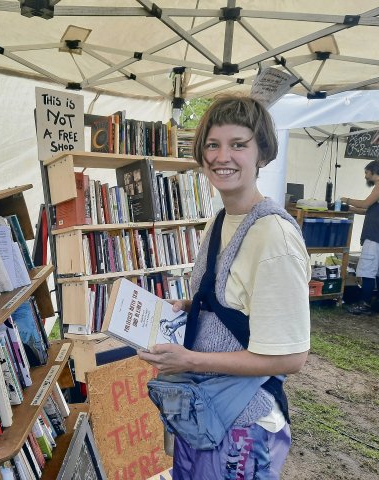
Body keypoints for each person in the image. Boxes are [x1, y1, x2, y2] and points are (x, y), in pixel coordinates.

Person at [138, 95, 311, 479]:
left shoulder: (273, 237)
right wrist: (194, 305)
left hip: (242, 423)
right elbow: (236, 301)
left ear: (262, 154)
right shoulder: (220, 219)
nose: (222, 156)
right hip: (204, 412)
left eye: (238, 145)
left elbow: (291, 358)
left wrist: (189, 360)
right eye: (213, 145)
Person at [340, 160, 379, 315]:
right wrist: (349, 209)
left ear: (373, 171)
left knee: (367, 271)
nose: (365, 176)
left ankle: (364, 304)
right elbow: (368, 210)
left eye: (366, 173)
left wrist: (347, 200)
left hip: (376, 236)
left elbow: (365, 204)